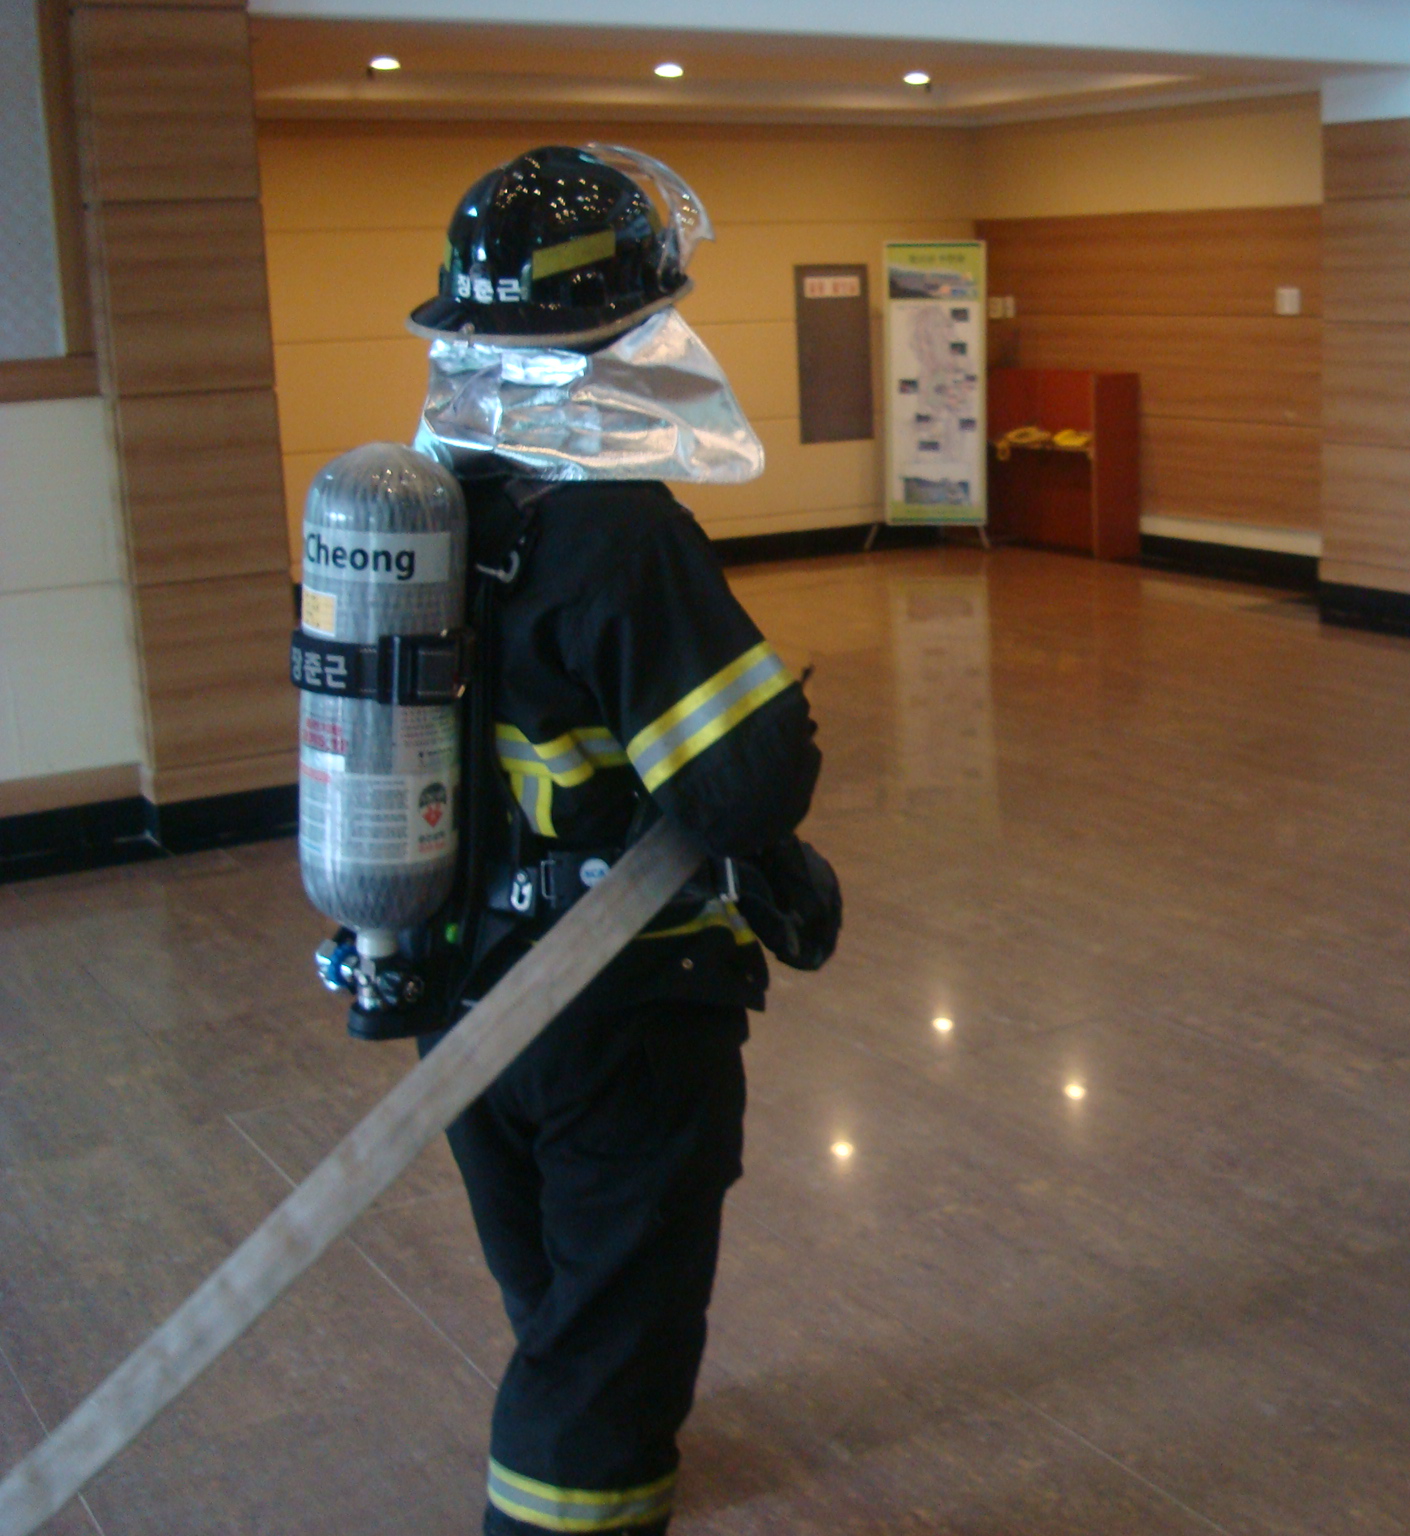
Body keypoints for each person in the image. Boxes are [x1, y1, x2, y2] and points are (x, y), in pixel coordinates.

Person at [403, 145, 825, 1533]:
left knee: (560, 1282)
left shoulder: (434, 504)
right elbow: (747, 783)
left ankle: (590, 1437)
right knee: (613, 1317)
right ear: (632, 331)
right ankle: (569, 1497)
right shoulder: (614, 530)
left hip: (461, 983)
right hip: (615, 998)